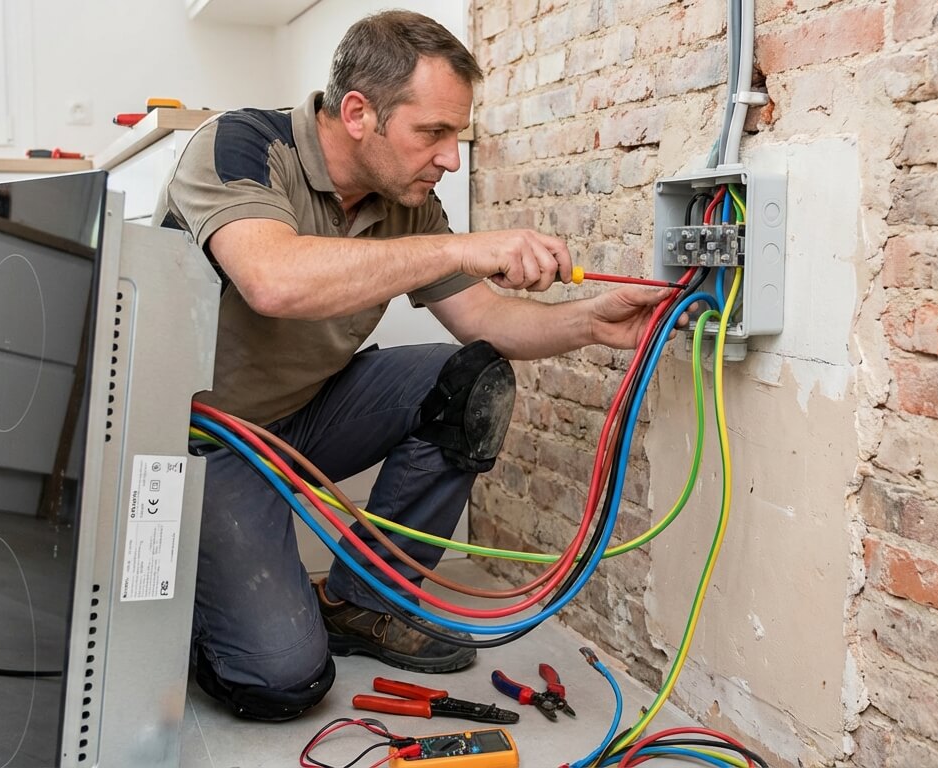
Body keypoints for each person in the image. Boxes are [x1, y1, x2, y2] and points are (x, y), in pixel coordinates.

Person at [158, 9, 675, 721]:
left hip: (304, 419)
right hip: (205, 444)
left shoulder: (408, 202)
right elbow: (273, 280)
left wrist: (591, 321)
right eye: (432, 133)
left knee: (470, 379)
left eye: (456, 135)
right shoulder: (241, 146)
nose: (450, 159)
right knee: (281, 679)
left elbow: (486, 320)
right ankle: (193, 603)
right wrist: (461, 248)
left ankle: (364, 604)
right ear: (358, 113)